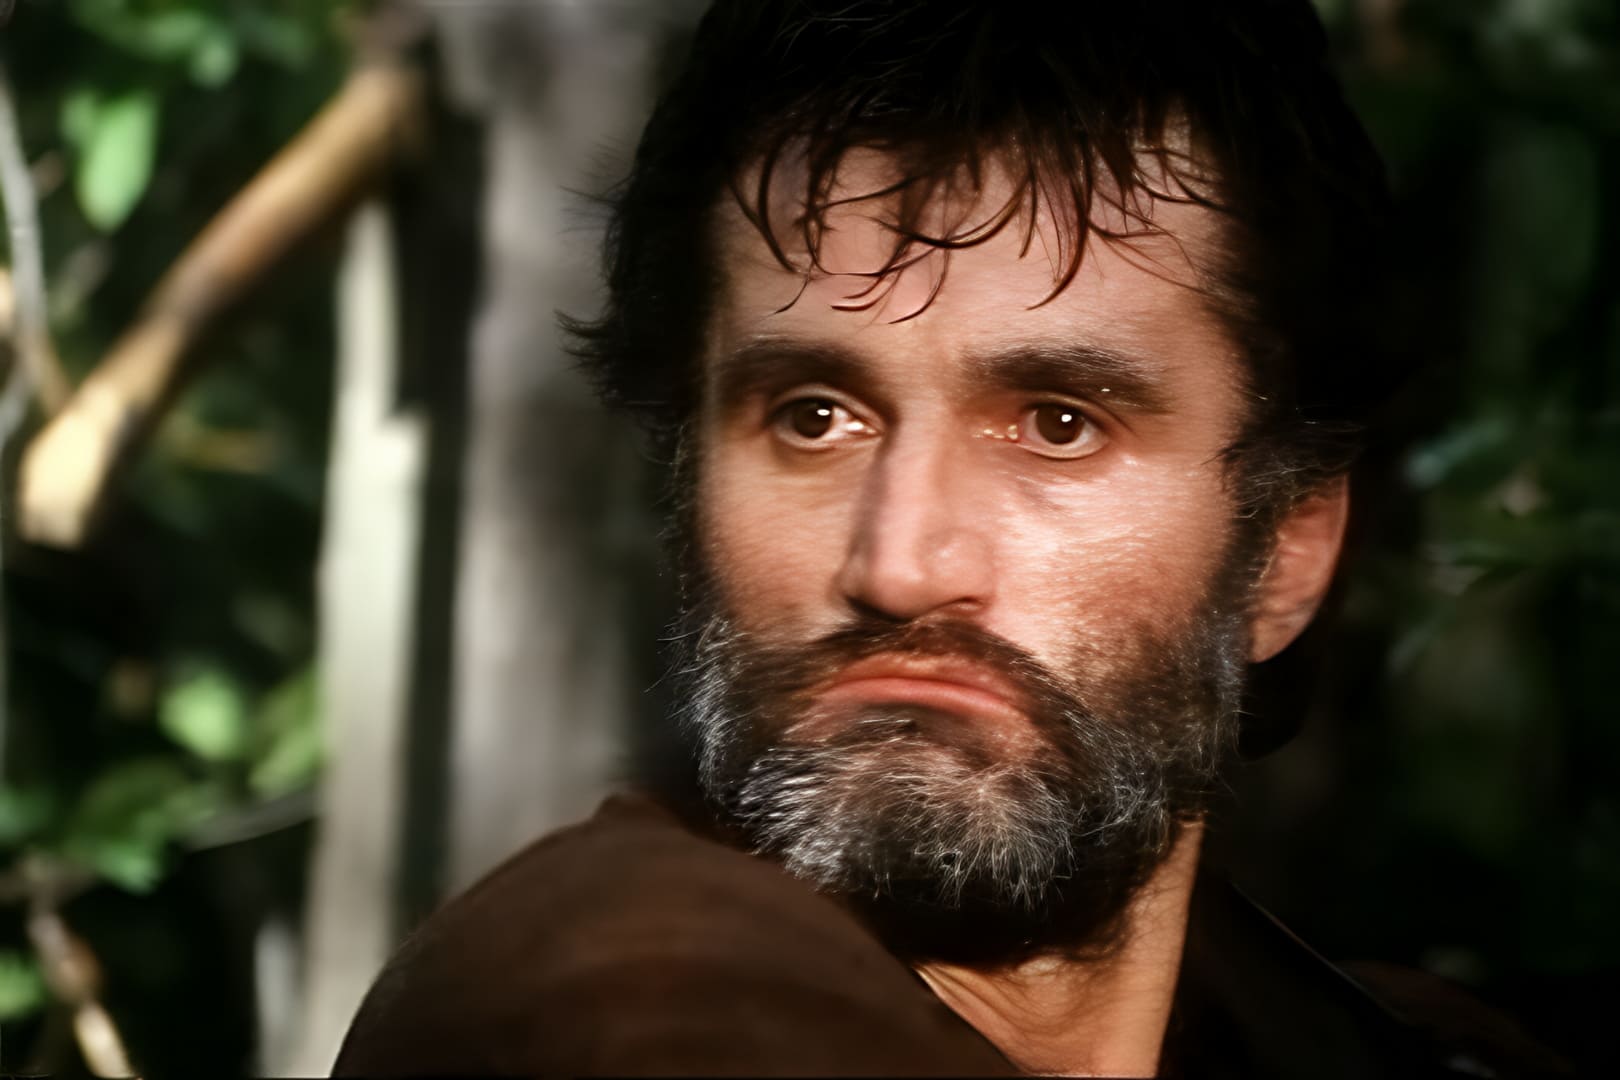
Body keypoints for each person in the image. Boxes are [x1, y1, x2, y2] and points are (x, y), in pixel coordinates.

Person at [334, 2, 1569, 1076]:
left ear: (1285, 552)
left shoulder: (1386, 1040)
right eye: (814, 417)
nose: (899, 565)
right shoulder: (600, 984)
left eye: (1058, 424)